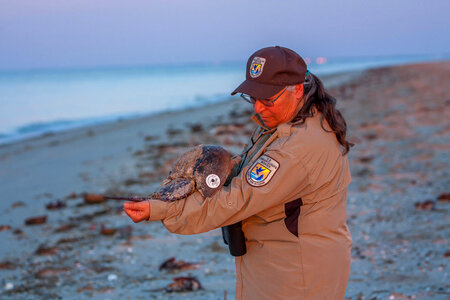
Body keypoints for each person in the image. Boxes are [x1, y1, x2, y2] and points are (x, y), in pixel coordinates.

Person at [123, 46, 354, 299]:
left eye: (267, 100)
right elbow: (249, 170)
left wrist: (160, 209)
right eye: (253, 99)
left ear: (297, 89)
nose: (257, 109)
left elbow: (235, 200)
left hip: (295, 273)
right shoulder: (292, 121)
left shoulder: (296, 149)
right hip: (280, 261)